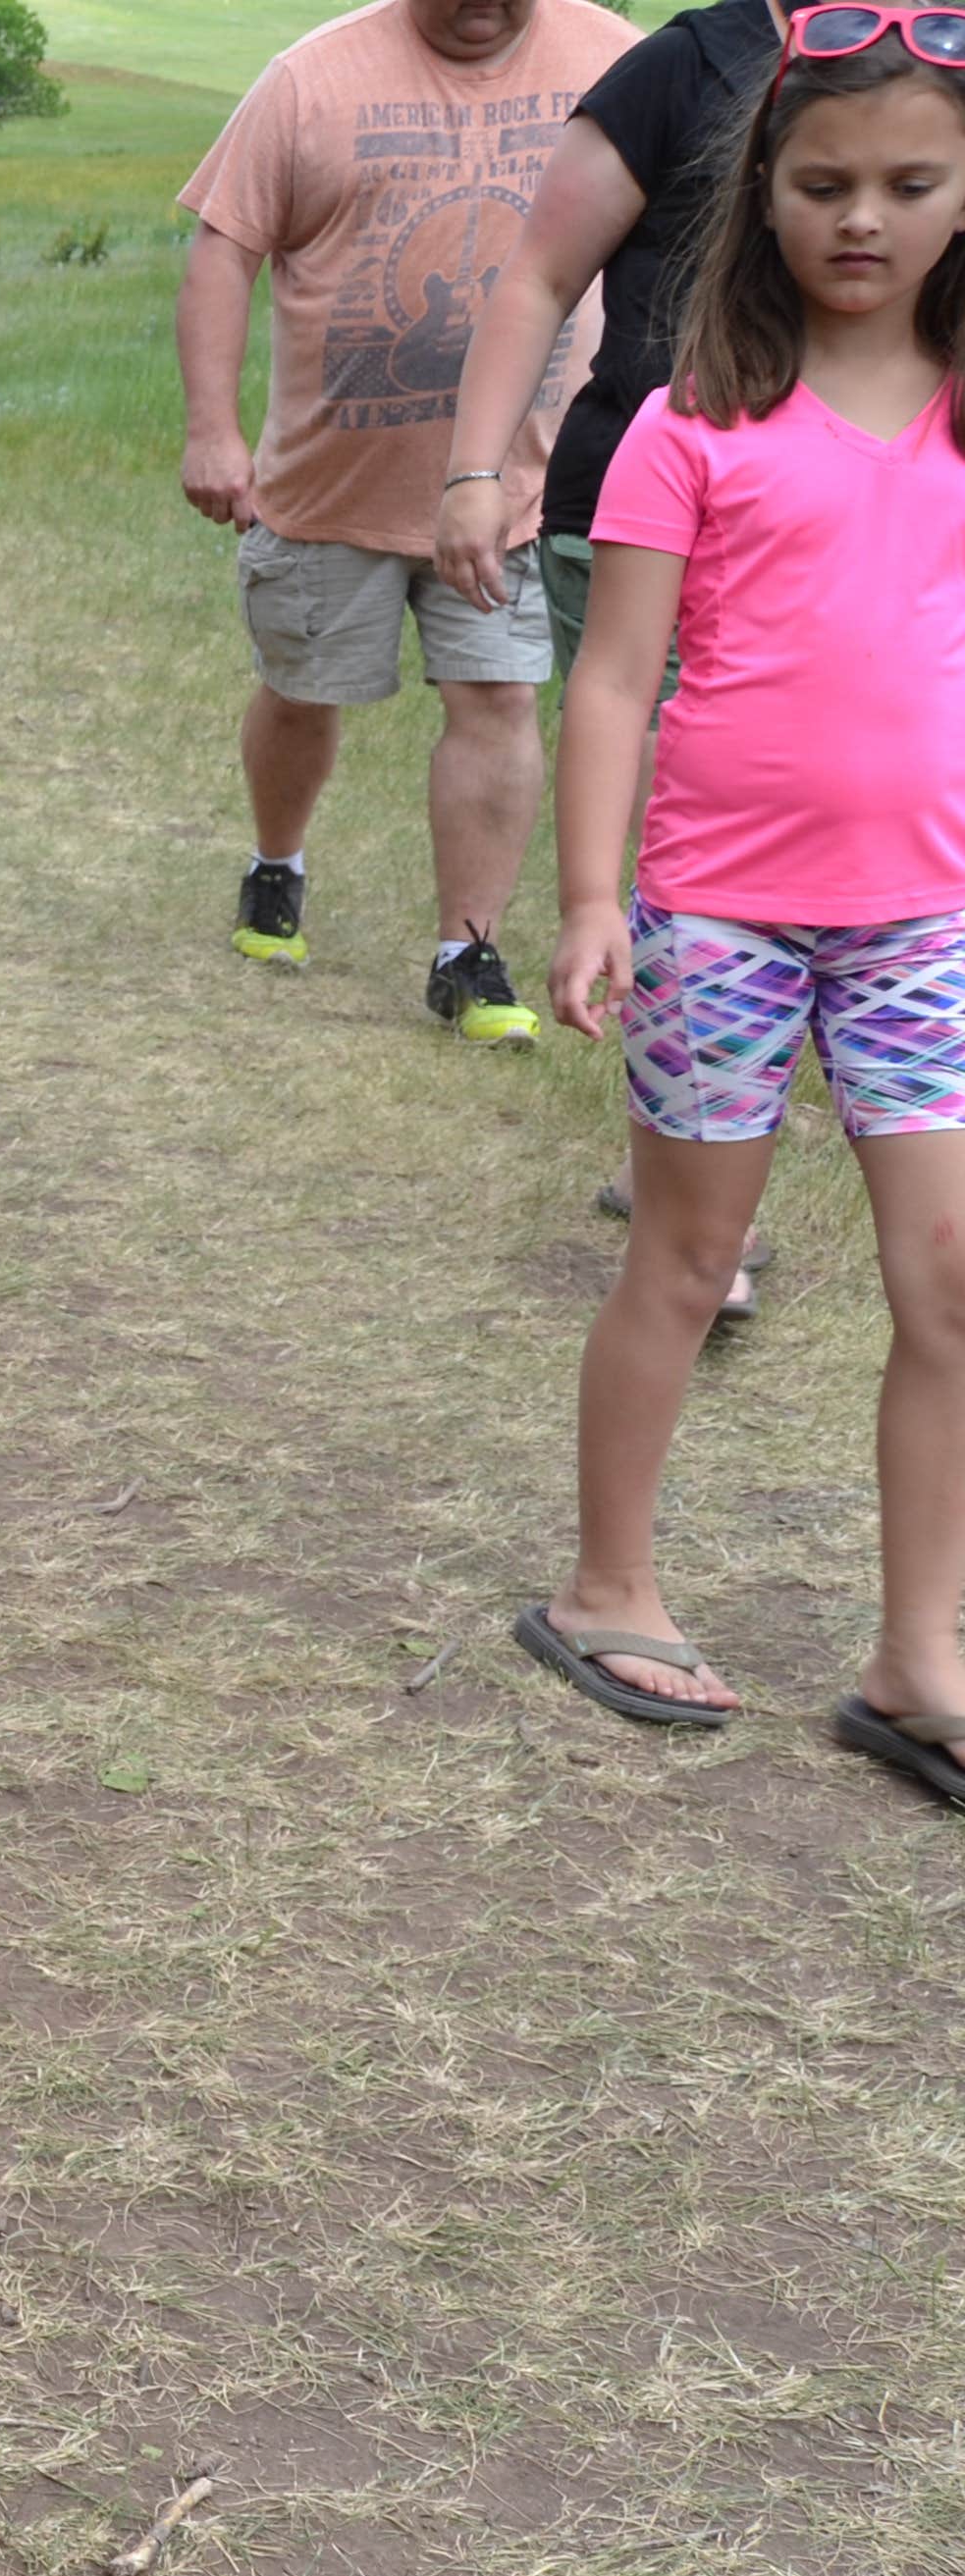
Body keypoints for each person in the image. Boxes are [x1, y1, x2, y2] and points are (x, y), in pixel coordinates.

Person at [524, 8, 965, 1811]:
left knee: (950, 1281)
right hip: (717, 920)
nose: (863, 218)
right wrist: (588, 900)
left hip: (925, 925)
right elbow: (613, 681)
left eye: (911, 184)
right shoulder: (690, 421)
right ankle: (604, 1585)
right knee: (689, 1264)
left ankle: (917, 1657)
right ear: (762, 193)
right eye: (824, 182)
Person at [175, 0, 635, 1039]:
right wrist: (212, 429)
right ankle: (276, 864)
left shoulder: (619, 62)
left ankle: (467, 953)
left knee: (500, 702)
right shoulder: (310, 80)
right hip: (330, 488)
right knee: (302, 692)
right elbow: (222, 250)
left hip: (517, 491)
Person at [435, 0, 787, 1309]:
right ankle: (690, 1198)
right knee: (697, 838)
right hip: (652, 510)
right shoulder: (686, 67)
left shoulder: (932, 60)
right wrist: (476, 472)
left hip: (861, 518)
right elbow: (538, 274)